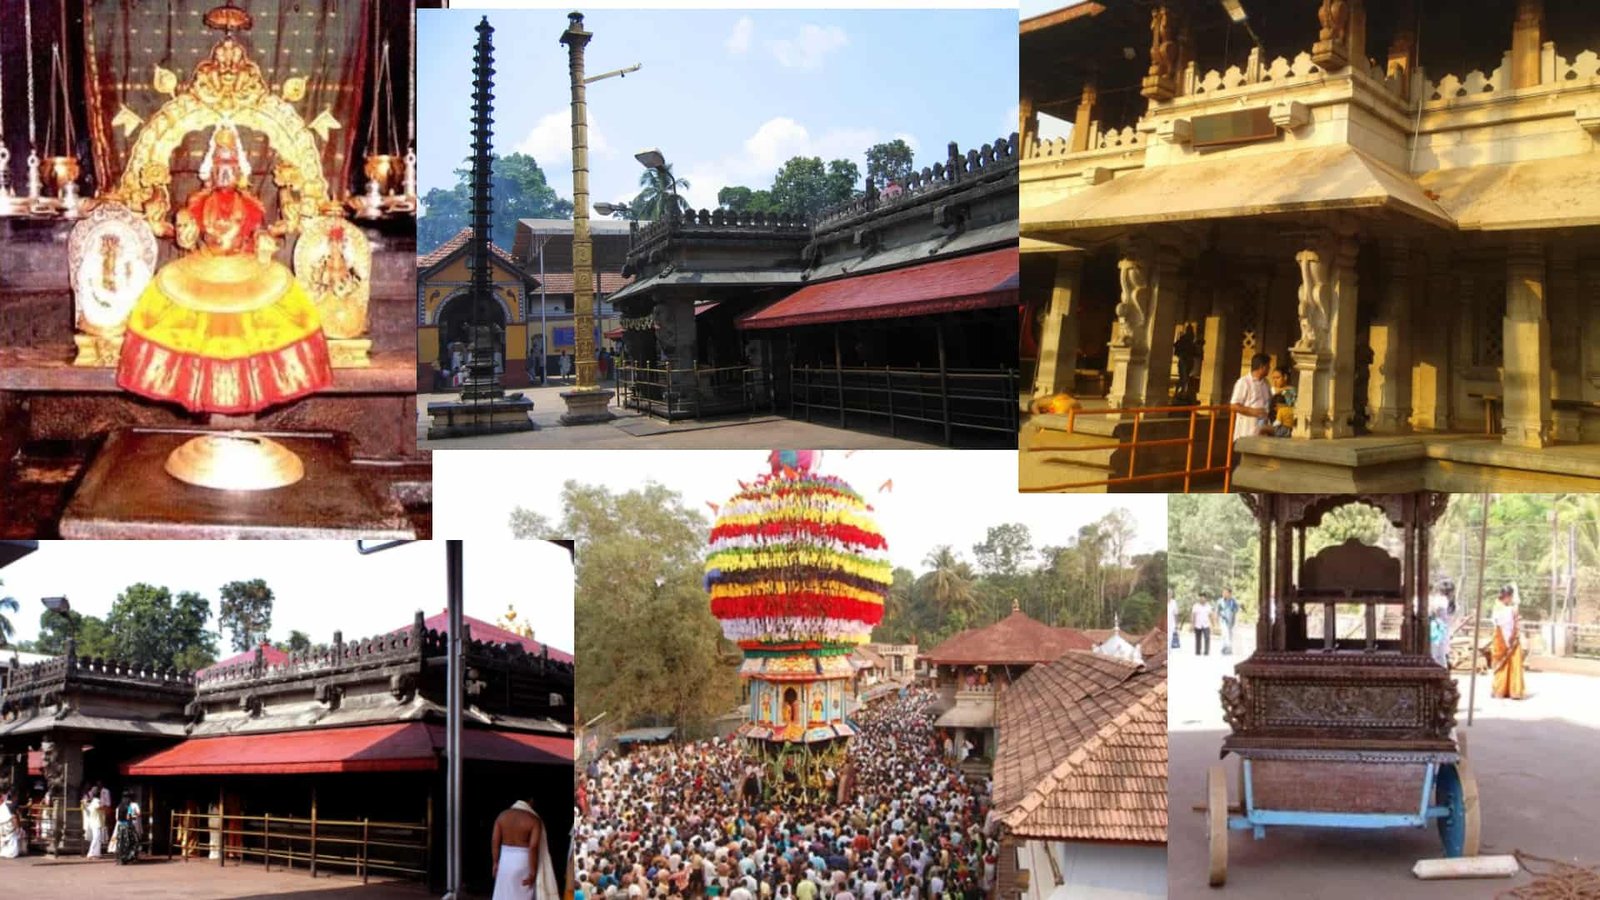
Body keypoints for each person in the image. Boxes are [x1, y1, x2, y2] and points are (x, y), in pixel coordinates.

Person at [491, 799, 558, 899]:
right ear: (531, 801)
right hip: (523, 861)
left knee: (504, 893)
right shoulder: (533, 820)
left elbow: (494, 841)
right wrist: (533, 871)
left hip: (505, 861)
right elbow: (533, 847)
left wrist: (495, 862)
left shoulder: (502, 816)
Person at [1491, 584, 1526, 700]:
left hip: (1500, 639)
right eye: (1510, 597)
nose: (1511, 600)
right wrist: (1515, 613)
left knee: (1504, 664)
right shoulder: (1506, 609)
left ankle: (1501, 690)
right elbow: (1508, 622)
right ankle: (1514, 690)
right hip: (1506, 639)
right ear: (1507, 596)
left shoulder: (1497, 606)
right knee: (1513, 663)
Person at [1229, 353, 1273, 446]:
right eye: (1268, 366)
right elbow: (1234, 406)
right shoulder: (1244, 382)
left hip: (1262, 434)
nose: (1269, 369)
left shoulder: (1266, 383)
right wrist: (1253, 411)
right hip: (1246, 433)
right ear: (1262, 367)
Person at [1267, 365, 1297, 437]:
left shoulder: (1291, 391)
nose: (1275, 380)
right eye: (1273, 378)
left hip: (1285, 427)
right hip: (1271, 423)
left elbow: (1292, 406)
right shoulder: (1271, 390)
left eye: (1278, 378)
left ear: (1285, 377)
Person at [114, 792, 141, 864]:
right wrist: (134, 817)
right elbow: (129, 817)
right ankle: (130, 858)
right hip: (128, 827)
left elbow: (116, 818)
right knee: (132, 842)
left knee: (121, 843)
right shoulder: (129, 807)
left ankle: (121, 859)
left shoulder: (118, 807)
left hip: (120, 827)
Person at [0, 791, 23, 858]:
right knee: (8, 839)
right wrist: (18, 827)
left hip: (5, 825)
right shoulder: (10, 805)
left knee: (8, 839)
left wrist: (17, 826)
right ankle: (9, 852)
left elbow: (14, 817)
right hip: (6, 825)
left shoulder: (5, 805)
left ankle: (7, 852)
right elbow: (14, 817)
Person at [85, 783, 104, 857]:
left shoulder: (91, 802)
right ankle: (91, 852)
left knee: (98, 838)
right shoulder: (96, 801)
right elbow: (99, 807)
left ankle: (97, 853)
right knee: (96, 837)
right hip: (96, 822)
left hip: (94, 822)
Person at [1218, 589, 1239, 655]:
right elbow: (1218, 610)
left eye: (1225, 593)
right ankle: (1226, 648)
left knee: (1229, 634)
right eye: (1223, 592)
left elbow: (1236, 609)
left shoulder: (1233, 601)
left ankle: (1227, 648)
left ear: (1230, 594)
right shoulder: (1220, 601)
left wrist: (1232, 612)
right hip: (1223, 619)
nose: (1224, 594)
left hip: (1231, 620)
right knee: (1224, 633)